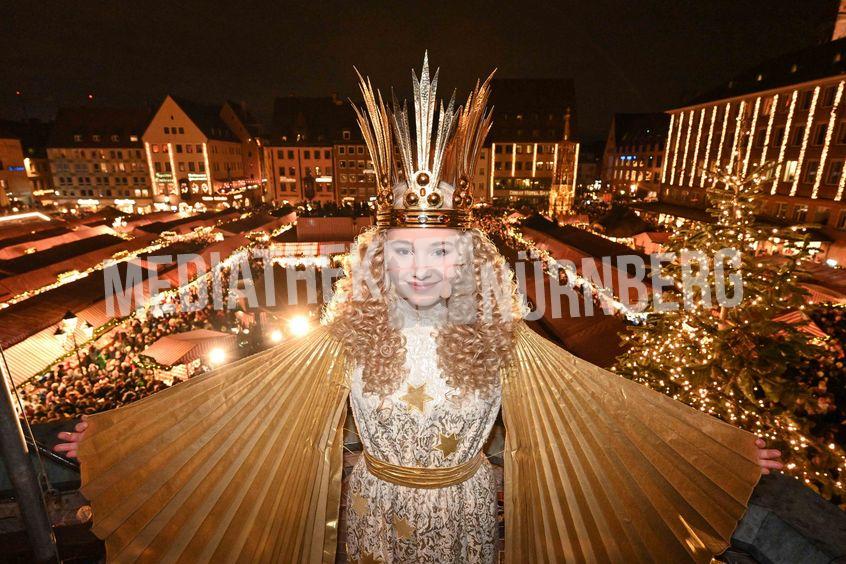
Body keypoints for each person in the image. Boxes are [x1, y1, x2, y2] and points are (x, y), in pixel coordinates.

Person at [56, 55, 782, 563]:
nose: (422, 268)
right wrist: (114, 436)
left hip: (466, 517)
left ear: (470, 259)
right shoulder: (344, 338)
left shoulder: (504, 339)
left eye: (440, 253)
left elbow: (607, 410)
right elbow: (236, 405)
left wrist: (719, 448)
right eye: (403, 250)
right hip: (373, 514)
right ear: (376, 255)